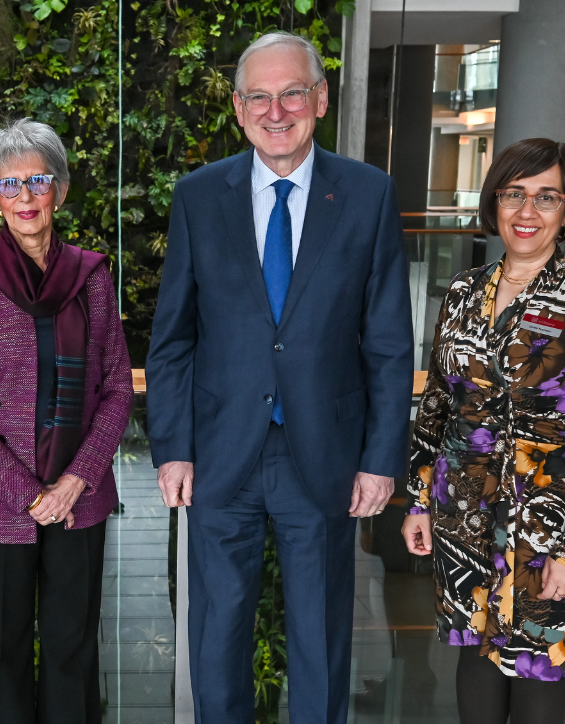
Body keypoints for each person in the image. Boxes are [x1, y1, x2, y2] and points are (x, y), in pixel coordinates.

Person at [146, 31, 414, 724]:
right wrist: (172, 446)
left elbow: (387, 342)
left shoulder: (367, 194)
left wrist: (380, 461)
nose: (276, 110)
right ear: (237, 108)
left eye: (291, 92)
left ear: (319, 99)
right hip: (218, 453)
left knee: (321, 637)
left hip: (322, 453)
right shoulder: (199, 196)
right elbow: (171, 338)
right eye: (258, 97)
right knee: (216, 635)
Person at [401, 138, 565, 724]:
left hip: (546, 528)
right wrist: (419, 500)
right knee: (475, 660)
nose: (527, 212)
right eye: (514, 194)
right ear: (494, 202)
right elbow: (437, 403)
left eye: (546, 198)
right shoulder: (461, 293)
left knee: (536, 671)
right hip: (464, 516)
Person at [0, 118, 133, 724]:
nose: (25, 197)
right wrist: (29, 495)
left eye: (38, 180)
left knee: (73, 652)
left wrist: (75, 481)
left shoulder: (93, 278)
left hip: (80, 500)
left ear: (61, 190)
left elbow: (117, 387)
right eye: (9, 184)